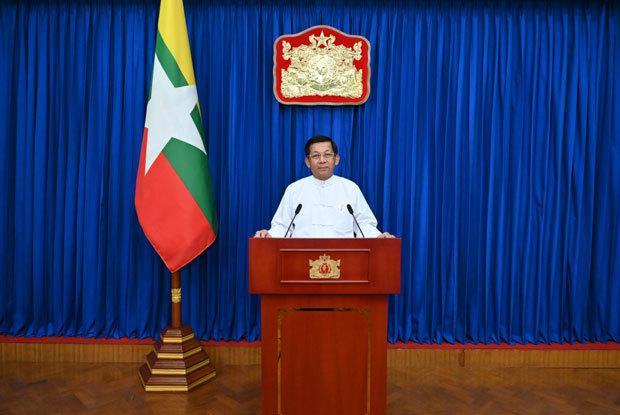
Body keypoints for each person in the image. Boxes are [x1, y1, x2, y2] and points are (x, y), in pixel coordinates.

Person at [254, 135, 394, 238]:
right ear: (308, 161)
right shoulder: (294, 189)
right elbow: (282, 226)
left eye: (327, 155)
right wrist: (269, 235)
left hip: (345, 259)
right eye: (316, 156)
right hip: (300, 258)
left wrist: (378, 237)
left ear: (336, 159)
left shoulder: (350, 188)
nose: (322, 160)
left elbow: (364, 224)